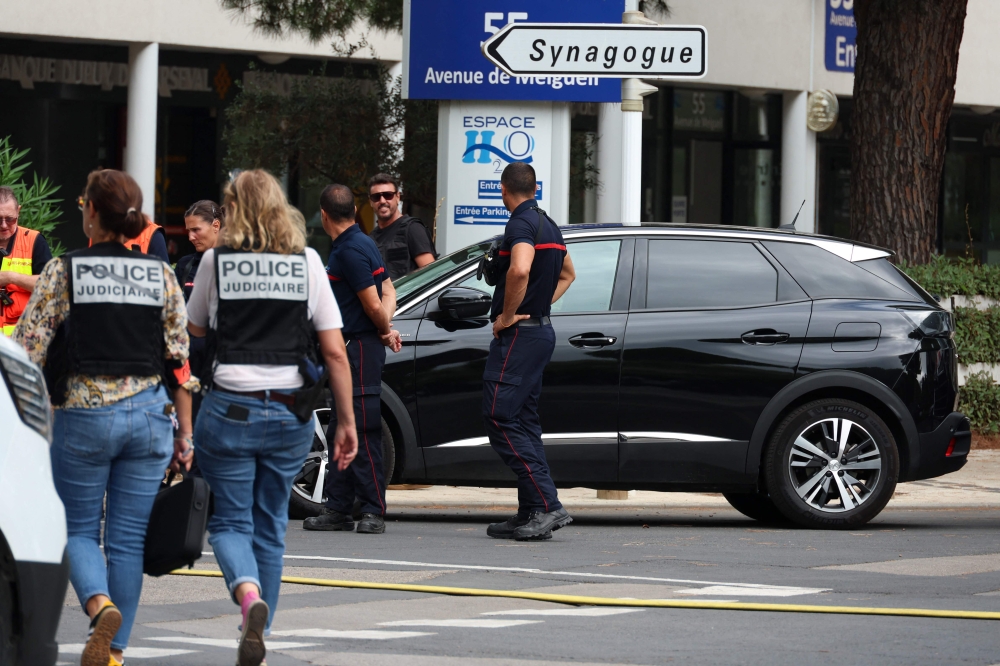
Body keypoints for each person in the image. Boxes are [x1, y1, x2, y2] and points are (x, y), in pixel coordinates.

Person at [14, 169, 195, 666]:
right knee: (128, 542)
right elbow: (180, 362)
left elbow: (28, 350)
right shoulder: (160, 275)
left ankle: (99, 605)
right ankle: (113, 655)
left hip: (83, 416)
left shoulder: (63, 271)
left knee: (76, 529)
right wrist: (186, 434)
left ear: (92, 212)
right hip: (151, 419)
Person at [186, 169, 358, 666]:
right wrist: (344, 421)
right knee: (269, 527)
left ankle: (246, 595)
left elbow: (195, 325)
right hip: (289, 414)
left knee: (228, 523)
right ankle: (256, 631)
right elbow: (335, 352)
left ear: (232, 211)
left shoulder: (215, 260)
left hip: (229, 410)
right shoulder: (307, 262)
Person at [483, 162, 576, 542]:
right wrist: (538, 305)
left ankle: (548, 504)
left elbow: (519, 270)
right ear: (534, 188)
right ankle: (530, 510)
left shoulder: (520, 224)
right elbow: (569, 273)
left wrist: (507, 316)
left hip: (520, 337)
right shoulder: (548, 223)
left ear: (504, 189)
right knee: (524, 420)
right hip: (540, 331)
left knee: (498, 416)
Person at [303, 184, 402, 535]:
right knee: (338, 431)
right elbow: (388, 291)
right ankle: (339, 507)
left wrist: (382, 327)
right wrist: (386, 329)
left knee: (361, 429)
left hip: (358, 347)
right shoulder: (362, 243)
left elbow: (374, 302)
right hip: (356, 346)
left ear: (324, 214)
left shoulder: (350, 250)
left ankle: (373, 510)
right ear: (356, 210)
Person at [0, 186, 53, 335]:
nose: (4, 225)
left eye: (10, 219)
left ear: (18, 211)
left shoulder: (34, 240)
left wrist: (11, 277)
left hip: (24, 341)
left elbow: (49, 285)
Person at [367, 173, 436, 280]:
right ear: (371, 202)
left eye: (388, 195)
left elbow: (431, 276)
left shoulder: (413, 229)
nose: (382, 201)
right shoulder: (370, 239)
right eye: (376, 197)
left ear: (398, 197)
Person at [175, 200, 224, 299]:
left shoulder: (234, 262)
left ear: (216, 226)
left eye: (196, 230)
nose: (190, 237)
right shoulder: (184, 265)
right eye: (188, 231)